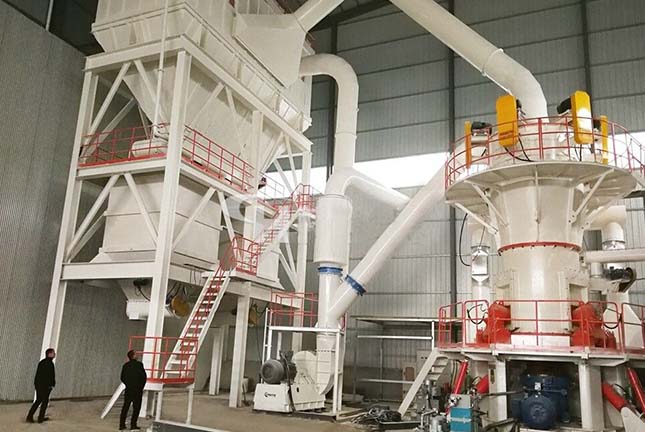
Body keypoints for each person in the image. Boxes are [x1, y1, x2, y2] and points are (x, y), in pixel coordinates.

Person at [119, 350, 147, 431]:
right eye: (136, 354)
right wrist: (141, 387)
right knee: (136, 408)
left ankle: (122, 425)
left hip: (129, 389)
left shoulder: (125, 365)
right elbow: (143, 377)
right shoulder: (139, 365)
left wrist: (128, 384)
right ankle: (133, 425)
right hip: (137, 390)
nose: (137, 355)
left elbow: (122, 377)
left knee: (125, 407)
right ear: (133, 356)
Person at [26, 348, 56, 423]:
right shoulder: (49, 364)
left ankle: (32, 416)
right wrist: (51, 385)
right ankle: (39, 418)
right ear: (49, 354)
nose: (54, 354)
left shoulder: (42, 362)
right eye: (53, 353)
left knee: (39, 400)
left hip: (39, 385)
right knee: (44, 402)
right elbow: (49, 376)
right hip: (45, 386)